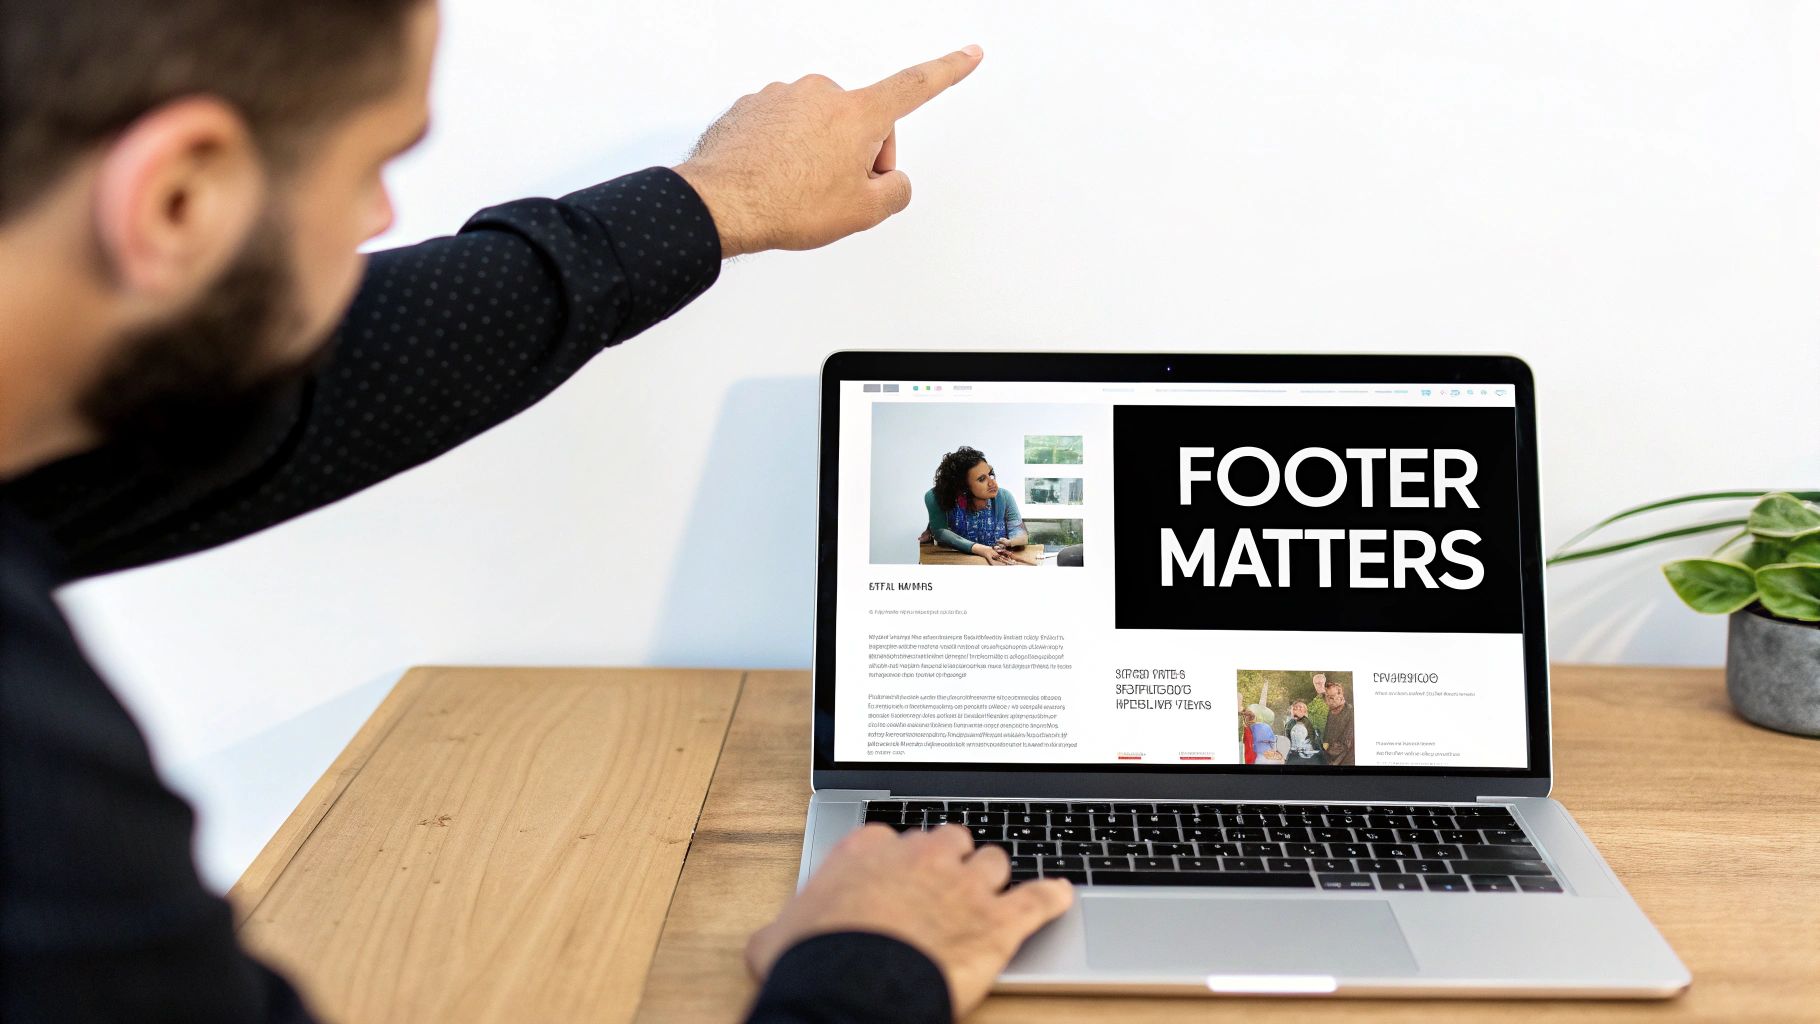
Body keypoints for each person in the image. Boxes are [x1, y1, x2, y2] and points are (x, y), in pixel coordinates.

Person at [0, 2, 1073, 1021]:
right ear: (179, 198)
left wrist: (713, 201)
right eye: (373, 163)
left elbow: (293, 395)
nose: (380, 220)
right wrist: (868, 968)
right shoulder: (33, 776)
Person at [923, 445, 1028, 564]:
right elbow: (941, 533)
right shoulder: (934, 497)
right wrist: (980, 549)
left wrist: (1011, 542)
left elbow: (1020, 534)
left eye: (990, 474)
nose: (992, 482)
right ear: (963, 487)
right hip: (957, 565)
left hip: (997, 563)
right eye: (982, 479)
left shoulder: (1004, 497)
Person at [1322, 681, 1357, 767]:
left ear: (1340, 695)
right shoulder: (1331, 712)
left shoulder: (1351, 712)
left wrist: (1325, 751)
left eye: (1332, 697)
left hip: (1346, 762)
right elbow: (1327, 736)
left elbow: (1345, 744)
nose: (1328, 700)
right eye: (1327, 696)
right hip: (1331, 758)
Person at [1284, 699, 1326, 766]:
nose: (1297, 709)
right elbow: (1287, 740)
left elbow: (1317, 743)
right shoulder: (1290, 724)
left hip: (1310, 757)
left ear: (1305, 711)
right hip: (1294, 757)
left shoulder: (1311, 724)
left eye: (1300, 707)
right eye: (1295, 708)